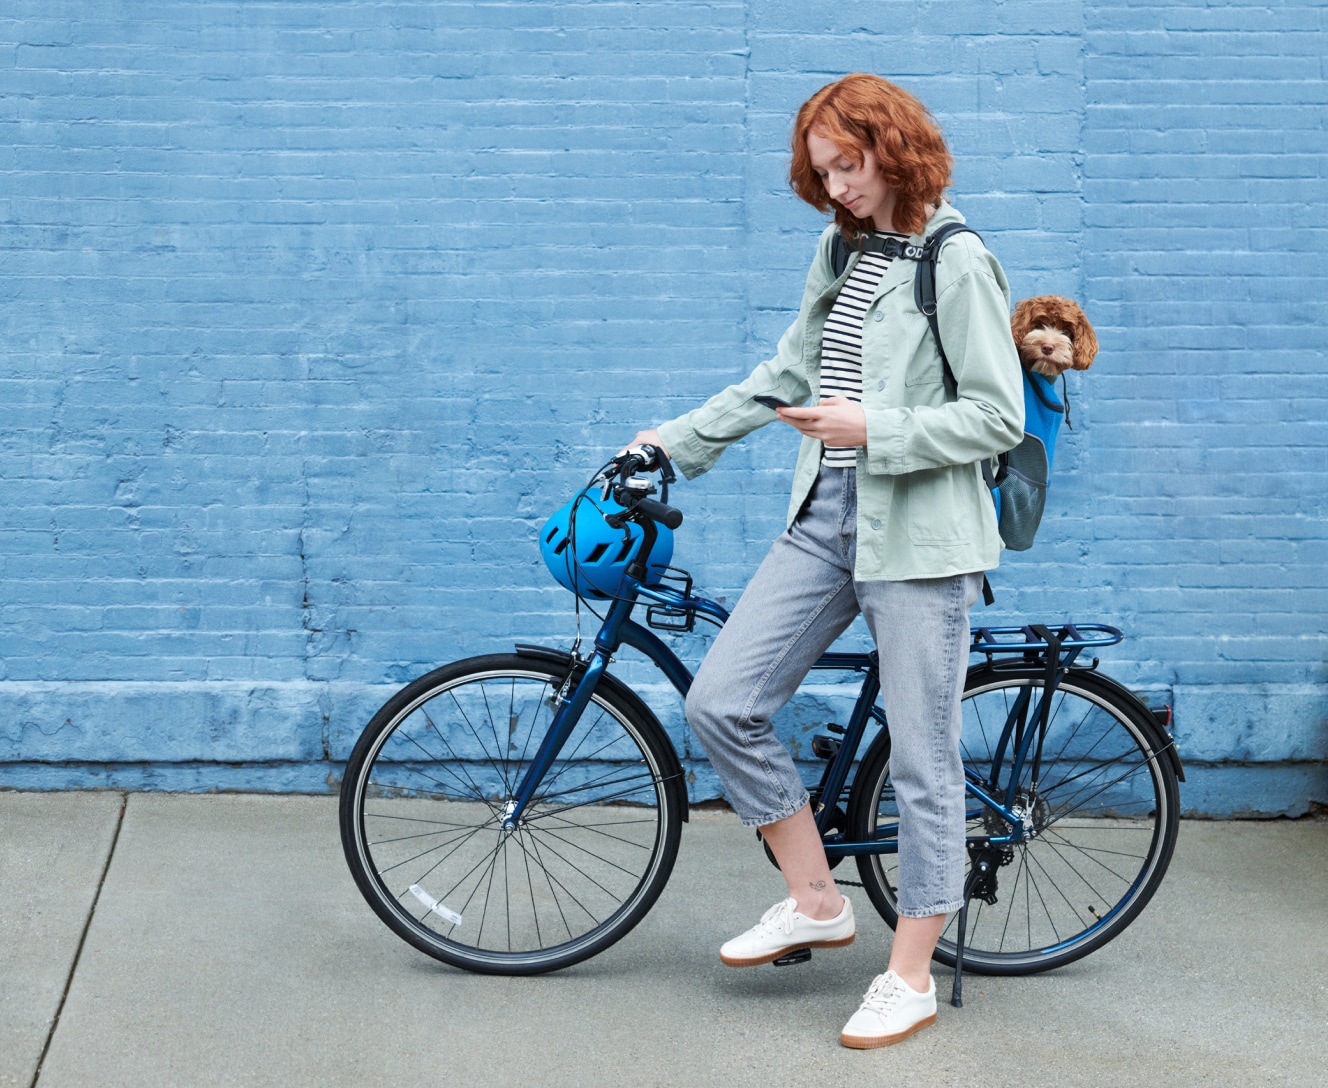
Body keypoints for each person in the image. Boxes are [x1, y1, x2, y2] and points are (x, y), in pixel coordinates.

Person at [626, 73, 1024, 1048]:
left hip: (919, 534)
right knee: (721, 697)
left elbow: (995, 414)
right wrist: (675, 441)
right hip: (826, 513)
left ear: (891, 146)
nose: (837, 186)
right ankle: (814, 897)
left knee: (922, 760)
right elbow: (785, 373)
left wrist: (871, 424)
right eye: (821, 171)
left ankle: (908, 974)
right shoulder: (839, 247)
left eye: (847, 164)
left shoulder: (955, 259)